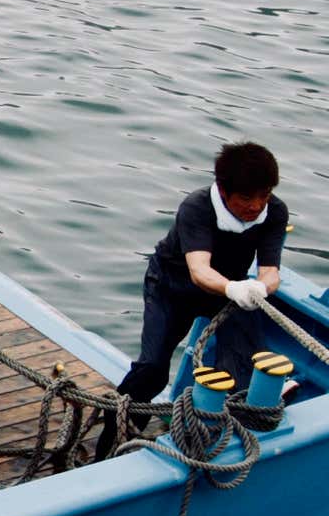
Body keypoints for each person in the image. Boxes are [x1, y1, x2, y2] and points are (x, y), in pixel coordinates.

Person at [99, 141, 289, 455]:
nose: (256, 205)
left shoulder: (275, 212)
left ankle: (213, 442)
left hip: (229, 292)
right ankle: (114, 436)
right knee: (153, 368)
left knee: (241, 369)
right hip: (172, 288)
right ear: (224, 191)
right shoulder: (198, 207)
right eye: (246, 197)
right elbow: (199, 270)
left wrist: (260, 288)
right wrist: (233, 288)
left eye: (264, 195)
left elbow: (271, 271)